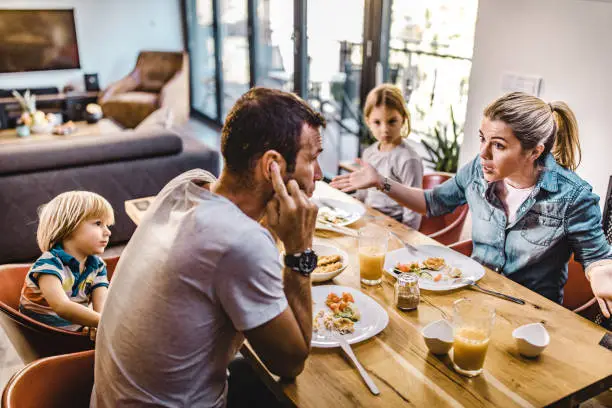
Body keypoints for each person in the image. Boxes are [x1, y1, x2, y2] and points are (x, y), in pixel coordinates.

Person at [92, 87, 326, 407]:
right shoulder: (239, 242)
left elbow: (232, 250)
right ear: (272, 166)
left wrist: (272, 229)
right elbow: (290, 364)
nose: (320, 174)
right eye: (312, 159)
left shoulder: (186, 185)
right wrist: (300, 250)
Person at [332, 91, 612, 316]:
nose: (483, 153)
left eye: (499, 145)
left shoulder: (574, 196)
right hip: (473, 299)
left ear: (534, 151)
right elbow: (432, 202)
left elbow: (597, 257)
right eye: (482, 139)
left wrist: (601, 275)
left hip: (530, 316)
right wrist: (380, 180)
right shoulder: (477, 171)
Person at [19, 191, 113, 334]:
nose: (108, 232)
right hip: (45, 335)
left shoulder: (97, 266)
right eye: (98, 223)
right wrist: (105, 324)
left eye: (107, 225)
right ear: (69, 226)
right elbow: (62, 307)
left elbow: (102, 309)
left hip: (75, 328)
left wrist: (99, 324)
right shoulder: (49, 264)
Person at [354, 84, 423, 229]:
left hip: (394, 225)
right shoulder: (369, 153)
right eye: (377, 122)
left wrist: (406, 239)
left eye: (392, 121)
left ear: (403, 119)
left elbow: (413, 209)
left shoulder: (409, 159)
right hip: (369, 218)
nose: (384, 129)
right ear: (368, 122)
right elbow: (362, 194)